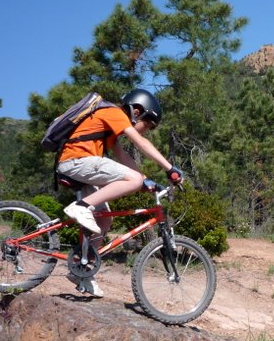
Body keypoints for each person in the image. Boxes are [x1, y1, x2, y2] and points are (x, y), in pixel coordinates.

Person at [57, 88, 182, 296]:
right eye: (147, 124)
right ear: (137, 111)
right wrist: (169, 168)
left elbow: (123, 157)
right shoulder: (114, 113)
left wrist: (145, 181)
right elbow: (140, 143)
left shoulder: (110, 130)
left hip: (80, 165)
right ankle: (81, 207)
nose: (145, 130)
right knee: (129, 181)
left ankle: (82, 270)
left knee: (104, 220)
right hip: (76, 161)